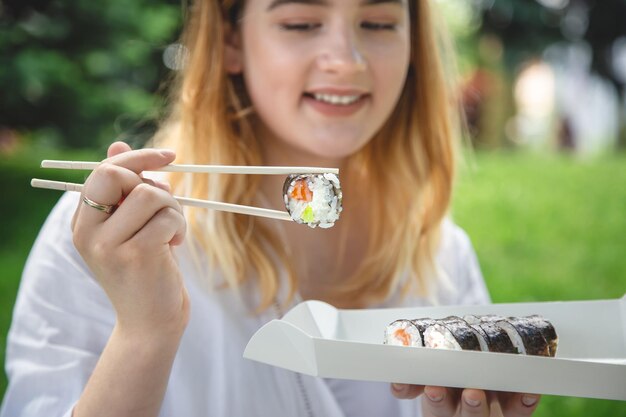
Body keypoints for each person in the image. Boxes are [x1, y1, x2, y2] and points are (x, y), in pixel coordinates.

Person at [1, 1, 541, 416]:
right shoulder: (118, 234)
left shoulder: (442, 256)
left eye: (377, 23)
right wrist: (144, 335)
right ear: (232, 40)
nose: (346, 61)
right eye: (301, 23)